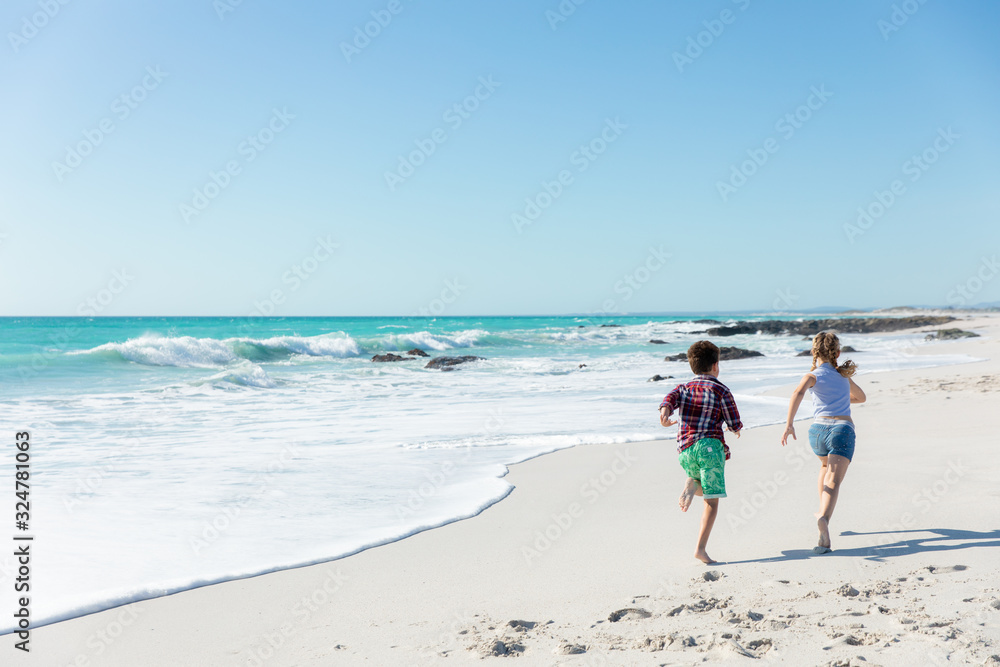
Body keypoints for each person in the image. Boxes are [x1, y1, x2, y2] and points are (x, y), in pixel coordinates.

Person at [781, 332, 866, 553]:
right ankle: (824, 520)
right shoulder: (843, 376)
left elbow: (797, 393)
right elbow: (861, 398)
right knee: (834, 482)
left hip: (817, 431)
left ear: (814, 352)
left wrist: (789, 424)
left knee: (824, 467)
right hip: (841, 430)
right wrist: (840, 397)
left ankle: (821, 510)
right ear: (837, 353)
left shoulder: (812, 376)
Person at [659, 340, 743, 565]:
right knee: (711, 500)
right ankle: (700, 549)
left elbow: (669, 399)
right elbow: (733, 420)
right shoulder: (721, 389)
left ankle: (690, 484)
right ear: (715, 366)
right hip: (709, 448)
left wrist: (666, 414)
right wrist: (736, 429)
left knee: (700, 483)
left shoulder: (682, 388)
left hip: (685, 450)